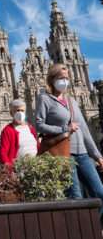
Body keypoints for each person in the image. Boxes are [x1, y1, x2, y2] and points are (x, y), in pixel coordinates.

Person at [35, 63, 103, 202]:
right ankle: (82, 223)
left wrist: (97, 156)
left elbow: (84, 130)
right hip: (63, 154)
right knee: (76, 196)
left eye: (67, 78)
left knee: (99, 193)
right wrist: (64, 129)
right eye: (61, 78)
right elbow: (39, 125)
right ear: (52, 79)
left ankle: (94, 223)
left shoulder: (72, 101)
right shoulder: (45, 99)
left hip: (83, 154)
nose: (65, 81)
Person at [0, 99, 39, 168]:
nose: (20, 113)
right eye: (17, 110)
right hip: (19, 169)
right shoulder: (7, 130)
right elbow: (3, 153)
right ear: (11, 113)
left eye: (22, 111)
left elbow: (38, 145)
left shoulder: (31, 128)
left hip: (36, 166)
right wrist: (9, 168)